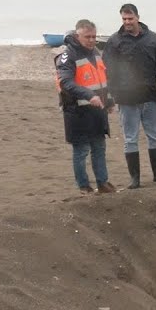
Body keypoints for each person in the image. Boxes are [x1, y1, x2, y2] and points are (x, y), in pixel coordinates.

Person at [105, 3, 156, 188]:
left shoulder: (153, 39)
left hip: (150, 95)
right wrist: (109, 95)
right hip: (127, 99)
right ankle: (134, 178)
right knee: (130, 138)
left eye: (130, 18)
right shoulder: (115, 41)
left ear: (137, 17)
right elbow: (108, 71)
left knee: (155, 135)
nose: (127, 22)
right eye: (124, 19)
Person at [56, 19, 117, 194]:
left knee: (99, 147)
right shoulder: (68, 56)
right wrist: (89, 96)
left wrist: (110, 101)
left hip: (98, 111)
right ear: (77, 36)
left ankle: (103, 183)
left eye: (93, 36)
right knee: (81, 150)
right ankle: (84, 187)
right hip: (77, 111)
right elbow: (66, 82)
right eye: (87, 37)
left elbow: (103, 80)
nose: (91, 40)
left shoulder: (95, 52)